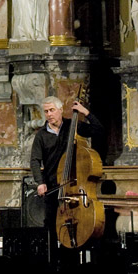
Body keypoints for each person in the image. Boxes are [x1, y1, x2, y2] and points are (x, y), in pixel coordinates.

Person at [30, 95, 104, 257]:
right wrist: (40, 182)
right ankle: (53, 262)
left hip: (75, 187)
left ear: (60, 110)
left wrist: (85, 112)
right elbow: (35, 160)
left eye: (52, 110)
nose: (49, 114)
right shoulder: (41, 135)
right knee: (51, 226)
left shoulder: (73, 126)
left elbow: (98, 130)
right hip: (53, 186)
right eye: (46, 111)